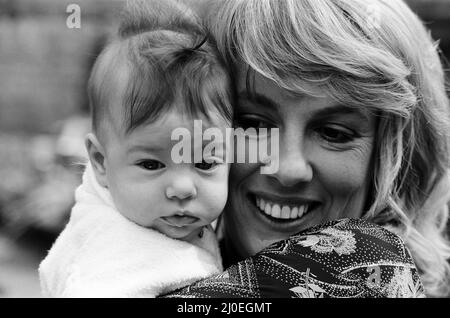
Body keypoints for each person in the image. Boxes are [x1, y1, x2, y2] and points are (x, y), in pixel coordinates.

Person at [159, 0, 450, 297]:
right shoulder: (139, 258)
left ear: (396, 159)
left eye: (333, 133)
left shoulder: (371, 263)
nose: (288, 169)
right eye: (253, 124)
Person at [38, 0, 234, 297]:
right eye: (152, 165)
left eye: (205, 164)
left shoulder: (145, 211)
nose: (182, 188)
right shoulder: (108, 264)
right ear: (101, 162)